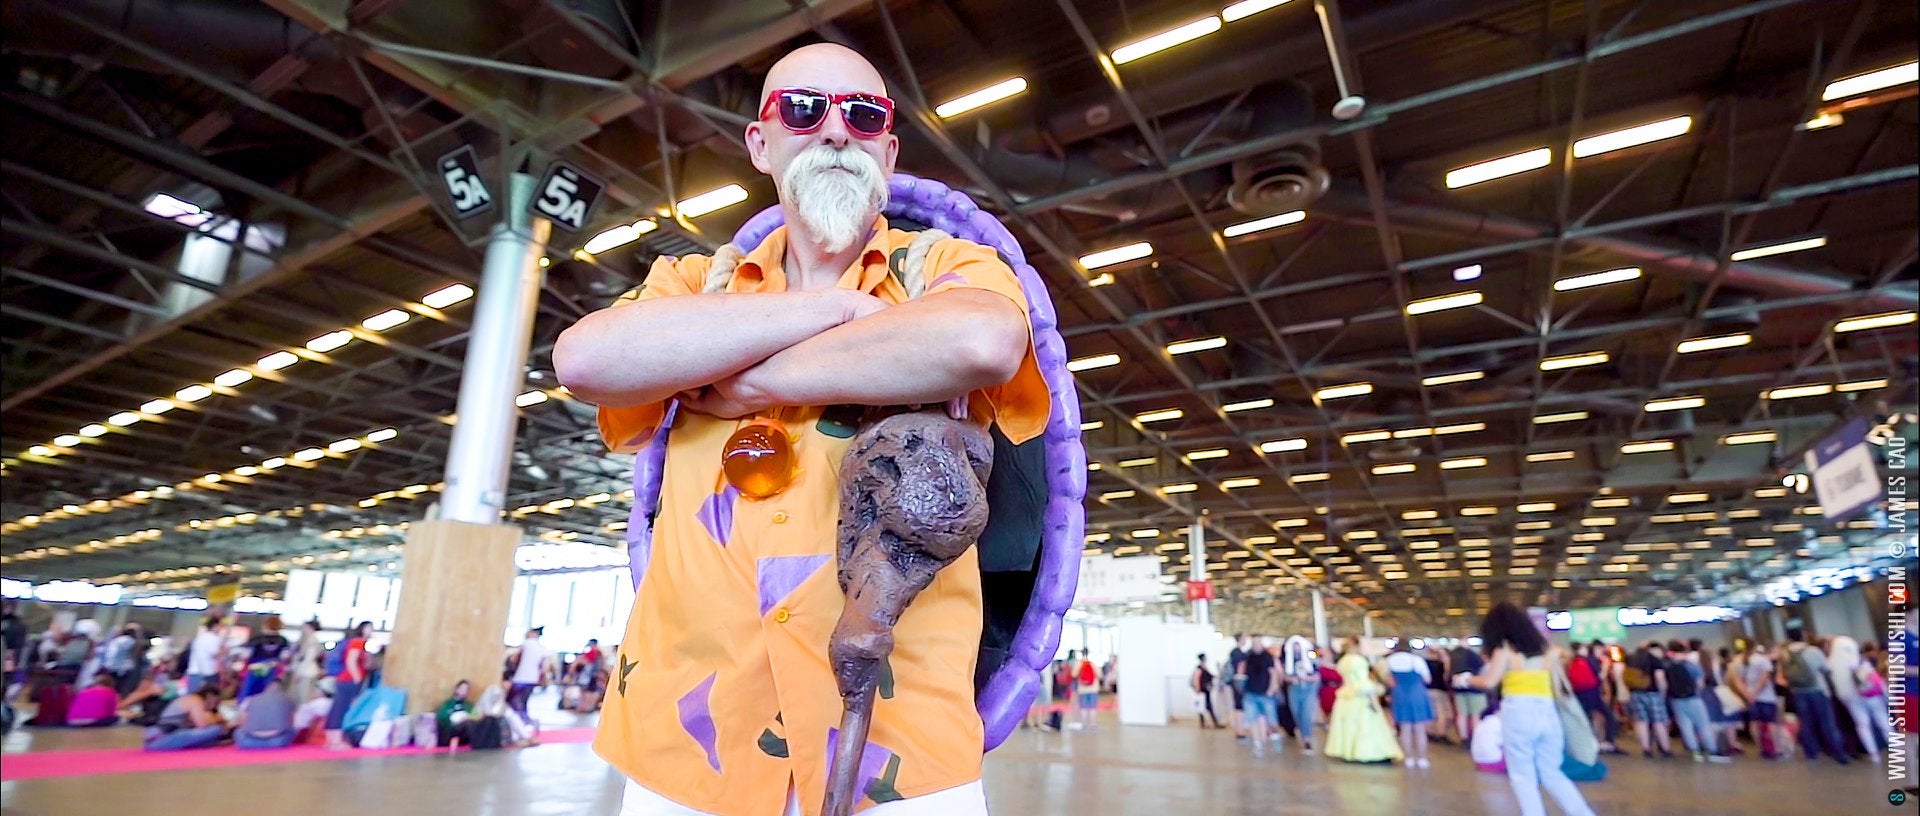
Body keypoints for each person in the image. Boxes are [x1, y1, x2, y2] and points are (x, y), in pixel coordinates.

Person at [556, 40, 1042, 816]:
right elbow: (586, 358)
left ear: (888, 150)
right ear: (761, 143)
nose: (836, 130)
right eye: (805, 110)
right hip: (685, 749)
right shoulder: (691, 282)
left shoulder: (945, 267)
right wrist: (838, 310)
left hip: (900, 758)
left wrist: (749, 381)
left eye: (864, 114)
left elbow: (981, 341)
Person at [1466, 603, 1596, 816]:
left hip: (1519, 713)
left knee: (1522, 776)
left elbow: (1489, 682)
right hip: (1548, 713)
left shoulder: (1504, 649)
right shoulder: (1546, 650)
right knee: (1552, 772)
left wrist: (1466, 679)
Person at [1323, 639, 1401, 763]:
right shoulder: (1358, 661)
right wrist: (1374, 701)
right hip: (1360, 698)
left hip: (1346, 698)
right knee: (1366, 726)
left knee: (1348, 726)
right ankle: (1369, 752)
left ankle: (1349, 751)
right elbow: (1363, 684)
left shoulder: (1343, 661)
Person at [1780, 628, 1847, 763]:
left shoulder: (1785, 654)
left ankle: (1811, 754)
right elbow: (1826, 669)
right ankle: (1838, 753)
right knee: (1827, 723)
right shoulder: (1813, 651)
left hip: (1798, 692)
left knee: (1806, 724)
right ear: (1803, 636)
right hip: (1818, 690)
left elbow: (1785, 674)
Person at [1828, 635, 1887, 764]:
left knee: (1862, 726)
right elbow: (1874, 678)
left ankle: (1874, 755)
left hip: (1851, 699)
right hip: (1870, 695)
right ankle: (1896, 747)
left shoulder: (1832, 665)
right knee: (1883, 721)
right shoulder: (1859, 660)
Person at [1663, 640, 1715, 762]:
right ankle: (1711, 749)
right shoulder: (1691, 665)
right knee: (1703, 724)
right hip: (1693, 698)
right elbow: (1700, 682)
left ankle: (1694, 751)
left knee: (1685, 725)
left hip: (1676, 699)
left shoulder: (1668, 666)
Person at [1382, 643, 1433, 767]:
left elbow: (1387, 679)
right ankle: (1422, 758)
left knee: (1405, 728)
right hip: (1417, 693)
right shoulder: (1417, 660)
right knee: (1419, 728)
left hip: (1400, 694)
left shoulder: (1390, 660)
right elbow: (1427, 679)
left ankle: (1408, 758)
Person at [326, 621, 373, 750]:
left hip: (344, 679)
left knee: (338, 707)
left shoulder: (356, 642)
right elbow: (351, 661)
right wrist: (357, 678)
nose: (371, 631)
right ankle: (335, 741)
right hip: (349, 679)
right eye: (369, 628)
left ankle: (332, 739)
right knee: (341, 709)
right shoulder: (358, 642)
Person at [1624, 641, 1674, 758]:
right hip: (1653, 693)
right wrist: (1662, 692)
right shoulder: (1654, 659)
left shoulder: (1631, 658)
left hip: (1636, 693)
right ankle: (1665, 748)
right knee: (1658, 721)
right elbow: (1659, 677)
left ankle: (1646, 749)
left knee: (1642, 721)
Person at [1565, 641, 1616, 754]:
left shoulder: (1571, 661)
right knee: (1609, 717)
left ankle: (1588, 744)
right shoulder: (1589, 660)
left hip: (1579, 694)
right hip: (1593, 694)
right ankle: (1607, 743)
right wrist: (1605, 668)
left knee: (1587, 720)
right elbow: (1600, 678)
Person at [144, 686, 227, 751]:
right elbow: (202, 725)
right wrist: (216, 720)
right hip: (162, 738)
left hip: (158, 738)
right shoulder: (195, 700)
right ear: (209, 696)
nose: (215, 706)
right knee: (216, 729)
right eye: (216, 702)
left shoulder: (189, 699)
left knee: (207, 737)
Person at [1738, 642, 1783, 758]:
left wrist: (1748, 694)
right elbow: (1764, 679)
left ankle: (1761, 748)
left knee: (1754, 723)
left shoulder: (1742, 661)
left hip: (1751, 698)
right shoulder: (1763, 660)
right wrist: (1756, 692)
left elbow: (1740, 681)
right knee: (1771, 723)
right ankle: (1776, 749)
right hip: (1767, 697)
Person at [1239, 637, 1280, 757]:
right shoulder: (1248, 656)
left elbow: (1273, 673)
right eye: (1254, 643)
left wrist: (1272, 688)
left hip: (1265, 693)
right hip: (1251, 692)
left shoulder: (1268, 657)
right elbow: (1243, 671)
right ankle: (1258, 744)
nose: (1256, 645)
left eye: (1258, 642)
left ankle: (1274, 737)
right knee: (1253, 719)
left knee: (1272, 720)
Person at [1279, 634, 1320, 753]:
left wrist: (1307, 678)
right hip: (1294, 687)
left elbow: (1317, 673)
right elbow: (1284, 675)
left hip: (1308, 687)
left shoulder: (1311, 654)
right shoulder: (1287, 657)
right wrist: (1291, 679)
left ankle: (1307, 739)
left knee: (1306, 712)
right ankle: (1303, 734)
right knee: (1296, 712)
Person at [507, 627, 553, 729]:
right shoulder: (542, 648)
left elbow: (514, 659)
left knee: (512, 702)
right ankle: (525, 722)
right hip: (532, 679)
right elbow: (545, 667)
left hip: (520, 677)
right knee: (524, 702)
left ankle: (517, 723)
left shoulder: (526, 644)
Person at [238, 617, 291, 701]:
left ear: (265, 625)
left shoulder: (256, 639)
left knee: (249, 689)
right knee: (267, 690)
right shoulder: (283, 641)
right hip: (272, 668)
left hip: (255, 667)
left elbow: (245, 655)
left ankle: (245, 706)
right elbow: (285, 657)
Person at [235, 679, 298, 749]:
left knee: (238, 732)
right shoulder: (288, 699)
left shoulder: (251, 699)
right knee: (293, 730)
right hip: (277, 741)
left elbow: (242, 721)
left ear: (266, 688)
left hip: (248, 742)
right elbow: (292, 721)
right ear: (283, 689)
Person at [1449, 641, 1488, 742]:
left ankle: (1464, 738)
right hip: (1475, 688)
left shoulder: (1453, 656)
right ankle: (1476, 738)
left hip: (1458, 688)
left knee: (1462, 715)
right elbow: (1482, 667)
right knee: (1476, 715)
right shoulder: (1471, 654)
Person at [184, 616, 226, 694]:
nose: (220, 629)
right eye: (220, 626)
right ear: (215, 626)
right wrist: (225, 650)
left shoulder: (199, 637)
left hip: (194, 671)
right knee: (206, 696)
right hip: (207, 673)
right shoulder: (213, 638)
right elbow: (215, 654)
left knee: (193, 695)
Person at [1421, 645, 1454, 745]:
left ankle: (1429, 733)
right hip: (1439, 690)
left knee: (1430, 713)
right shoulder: (1442, 664)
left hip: (1426, 690)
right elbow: (1446, 677)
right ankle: (1441, 734)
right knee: (1443, 714)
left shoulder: (1423, 663)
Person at [287, 621, 325, 704]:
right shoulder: (304, 640)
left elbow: (308, 659)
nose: (303, 629)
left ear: (311, 628)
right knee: (297, 695)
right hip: (301, 671)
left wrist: (298, 673)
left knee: (303, 696)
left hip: (306, 673)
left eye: (305, 627)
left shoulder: (312, 642)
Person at [101, 624, 141, 697]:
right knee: (117, 690)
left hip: (110, 666)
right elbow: (133, 655)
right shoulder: (132, 642)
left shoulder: (117, 640)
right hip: (122, 669)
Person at [437, 679, 476, 746]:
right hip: (451, 729)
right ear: (457, 689)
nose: (464, 691)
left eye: (466, 689)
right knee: (467, 724)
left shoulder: (469, 705)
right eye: (462, 688)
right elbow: (441, 716)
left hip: (465, 729)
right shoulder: (448, 704)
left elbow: (476, 716)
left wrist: (468, 717)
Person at [1226, 634, 1251, 740]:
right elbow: (1240, 666)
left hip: (1236, 681)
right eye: (1244, 638)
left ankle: (1240, 730)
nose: (1246, 640)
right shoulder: (1237, 653)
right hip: (1239, 681)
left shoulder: (1236, 652)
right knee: (1239, 706)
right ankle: (1240, 731)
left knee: (1239, 706)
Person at [1191, 653, 1222, 728]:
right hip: (1202, 691)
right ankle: (1213, 723)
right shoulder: (1199, 668)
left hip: (1205, 690)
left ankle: (1206, 723)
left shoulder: (1204, 668)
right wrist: (1197, 689)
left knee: (1204, 706)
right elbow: (1196, 679)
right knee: (1206, 706)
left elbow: (1212, 676)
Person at [1074, 650, 1100, 730]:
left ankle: (1084, 724)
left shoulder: (1079, 664)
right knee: (1092, 707)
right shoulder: (1093, 663)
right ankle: (1093, 724)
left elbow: (1073, 674)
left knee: (1083, 708)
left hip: (1082, 690)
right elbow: (1100, 674)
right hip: (1093, 689)